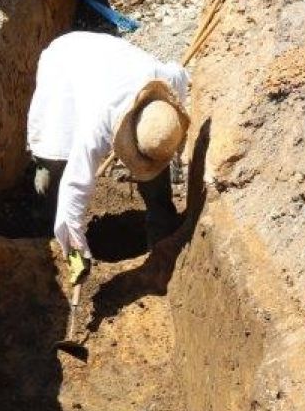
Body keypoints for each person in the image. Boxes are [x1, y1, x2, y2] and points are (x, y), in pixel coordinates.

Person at [27, 31, 190, 286]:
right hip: (65, 66)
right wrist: (76, 252)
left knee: (156, 168)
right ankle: (45, 236)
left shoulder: (165, 83)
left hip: (107, 62)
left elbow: (180, 73)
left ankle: (162, 235)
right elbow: (75, 188)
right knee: (54, 159)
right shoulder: (96, 125)